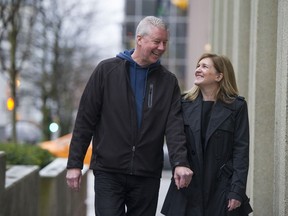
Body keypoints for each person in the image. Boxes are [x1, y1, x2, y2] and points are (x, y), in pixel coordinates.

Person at [66, 16, 193, 216]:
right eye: (157, 41)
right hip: (108, 170)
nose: (161, 47)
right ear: (140, 39)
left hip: (146, 173)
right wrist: (75, 164)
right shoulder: (106, 71)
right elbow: (85, 120)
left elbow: (174, 126)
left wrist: (180, 162)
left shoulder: (168, 82)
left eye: (165, 42)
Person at [161, 53, 253, 216]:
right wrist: (178, 164)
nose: (198, 69)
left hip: (221, 187)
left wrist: (237, 190)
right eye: (198, 66)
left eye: (204, 66)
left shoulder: (237, 107)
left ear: (219, 76)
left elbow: (241, 151)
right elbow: (174, 138)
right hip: (188, 186)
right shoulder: (183, 104)